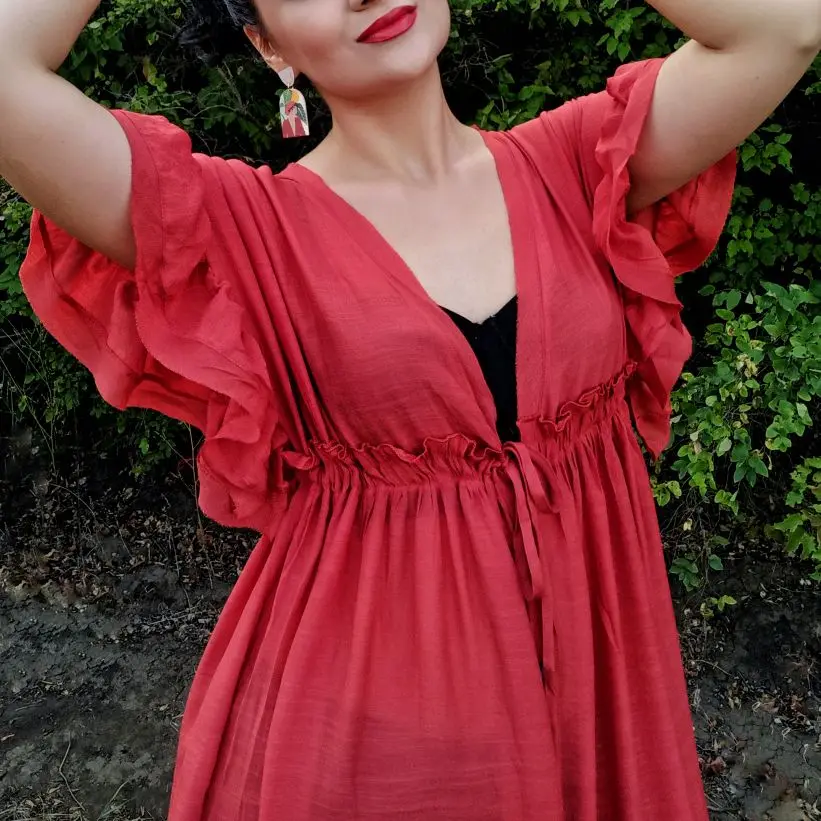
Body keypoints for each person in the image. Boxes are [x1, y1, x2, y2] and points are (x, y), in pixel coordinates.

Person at [1, 0, 818, 818]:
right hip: (367, 738)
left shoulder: (577, 163)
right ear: (268, 45)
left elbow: (783, 27)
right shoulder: (241, 228)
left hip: (598, 703)